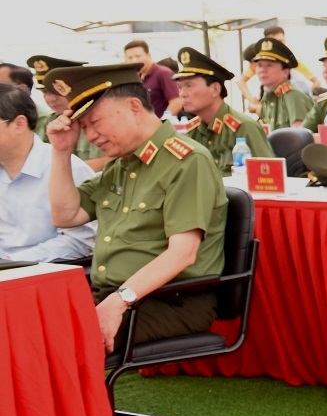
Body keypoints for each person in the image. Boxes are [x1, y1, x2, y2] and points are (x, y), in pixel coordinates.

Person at [44, 61, 228, 360]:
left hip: (169, 300)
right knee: (24, 325)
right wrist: (61, 152)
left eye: (95, 121)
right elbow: (66, 215)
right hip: (113, 296)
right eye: (84, 127)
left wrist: (119, 302)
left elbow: (183, 253)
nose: (90, 136)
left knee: (52, 345)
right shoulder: (122, 165)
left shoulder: (187, 160)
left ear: (133, 107)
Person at [0, 81, 94, 263]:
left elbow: (81, 241)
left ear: (19, 124)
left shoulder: (67, 168)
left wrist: (12, 263)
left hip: (48, 271)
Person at [173, 48, 274, 163]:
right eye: (179, 87)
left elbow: (268, 171)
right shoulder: (192, 131)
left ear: (215, 89)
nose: (182, 94)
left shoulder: (244, 128)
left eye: (189, 86)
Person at [247, 37, 313, 128]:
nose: (262, 70)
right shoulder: (269, 97)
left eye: (269, 65)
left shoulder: (293, 95)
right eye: (259, 65)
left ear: (285, 72)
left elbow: (299, 134)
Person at [121, 39, 176, 116]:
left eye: (138, 56)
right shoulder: (136, 77)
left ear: (148, 55)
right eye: (130, 58)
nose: (134, 60)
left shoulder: (163, 73)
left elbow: (176, 102)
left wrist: (163, 121)